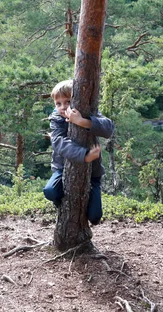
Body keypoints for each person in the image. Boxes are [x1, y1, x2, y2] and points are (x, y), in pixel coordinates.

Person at [43, 79, 114, 225]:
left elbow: (108, 128)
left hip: (92, 172)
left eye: (67, 102)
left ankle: (85, 201)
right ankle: (65, 205)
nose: (63, 107)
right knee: (50, 192)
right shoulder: (56, 119)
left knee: (94, 217)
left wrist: (82, 121)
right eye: (58, 104)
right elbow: (58, 142)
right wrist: (84, 155)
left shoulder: (88, 112)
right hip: (62, 168)